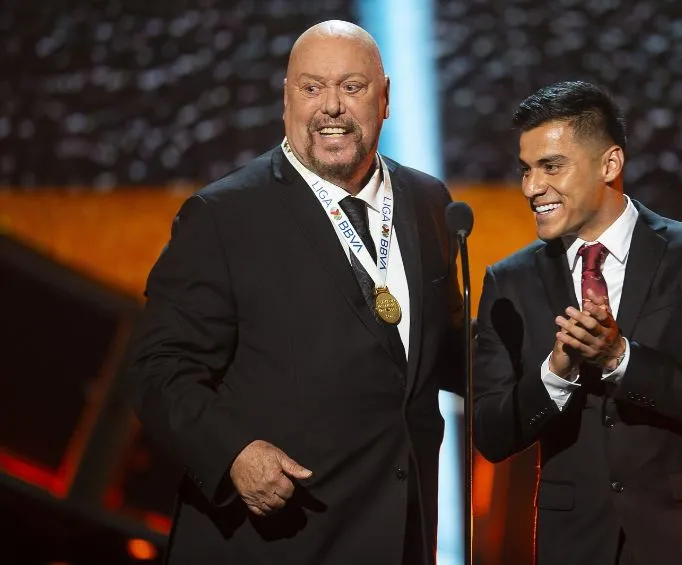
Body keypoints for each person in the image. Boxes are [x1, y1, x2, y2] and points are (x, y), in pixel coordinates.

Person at [126, 20, 463, 565]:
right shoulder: (224, 216)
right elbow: (158, 370)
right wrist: (233, 453)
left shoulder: (428, 202)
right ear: (286, 101)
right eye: (312, 88)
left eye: (351, 87)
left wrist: (551, 353)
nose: (331, 106)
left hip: (398, 540)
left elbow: (437, 351)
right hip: (273, 541)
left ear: (385, 99)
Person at [472, 80, 682, 565]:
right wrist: (554, 374)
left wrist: (620, 359)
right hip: (578, 544)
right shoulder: (508, 282)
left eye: (551, 166)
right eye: (525, 170)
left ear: (610, 164)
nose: (531, 187)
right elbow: (492, 433)